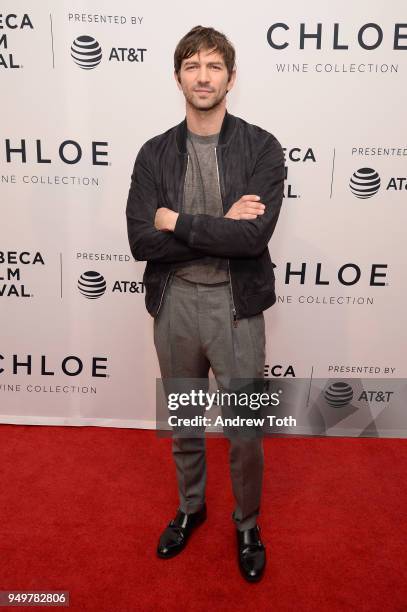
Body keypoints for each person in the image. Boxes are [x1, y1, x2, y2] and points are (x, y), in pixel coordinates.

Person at [126, 25, 285, 582]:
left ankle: (248, 523)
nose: (203, 76)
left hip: (235, 306)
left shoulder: (262, 148)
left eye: (214, 66)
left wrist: (178, 221)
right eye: (192, 65)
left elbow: (250, 240)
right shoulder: (153, 153)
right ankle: (192, 509)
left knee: (244, 432)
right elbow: (141, 241)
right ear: (178, 77)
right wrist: (216, 225)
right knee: (185, 423)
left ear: (231, 78)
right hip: (175, 304)